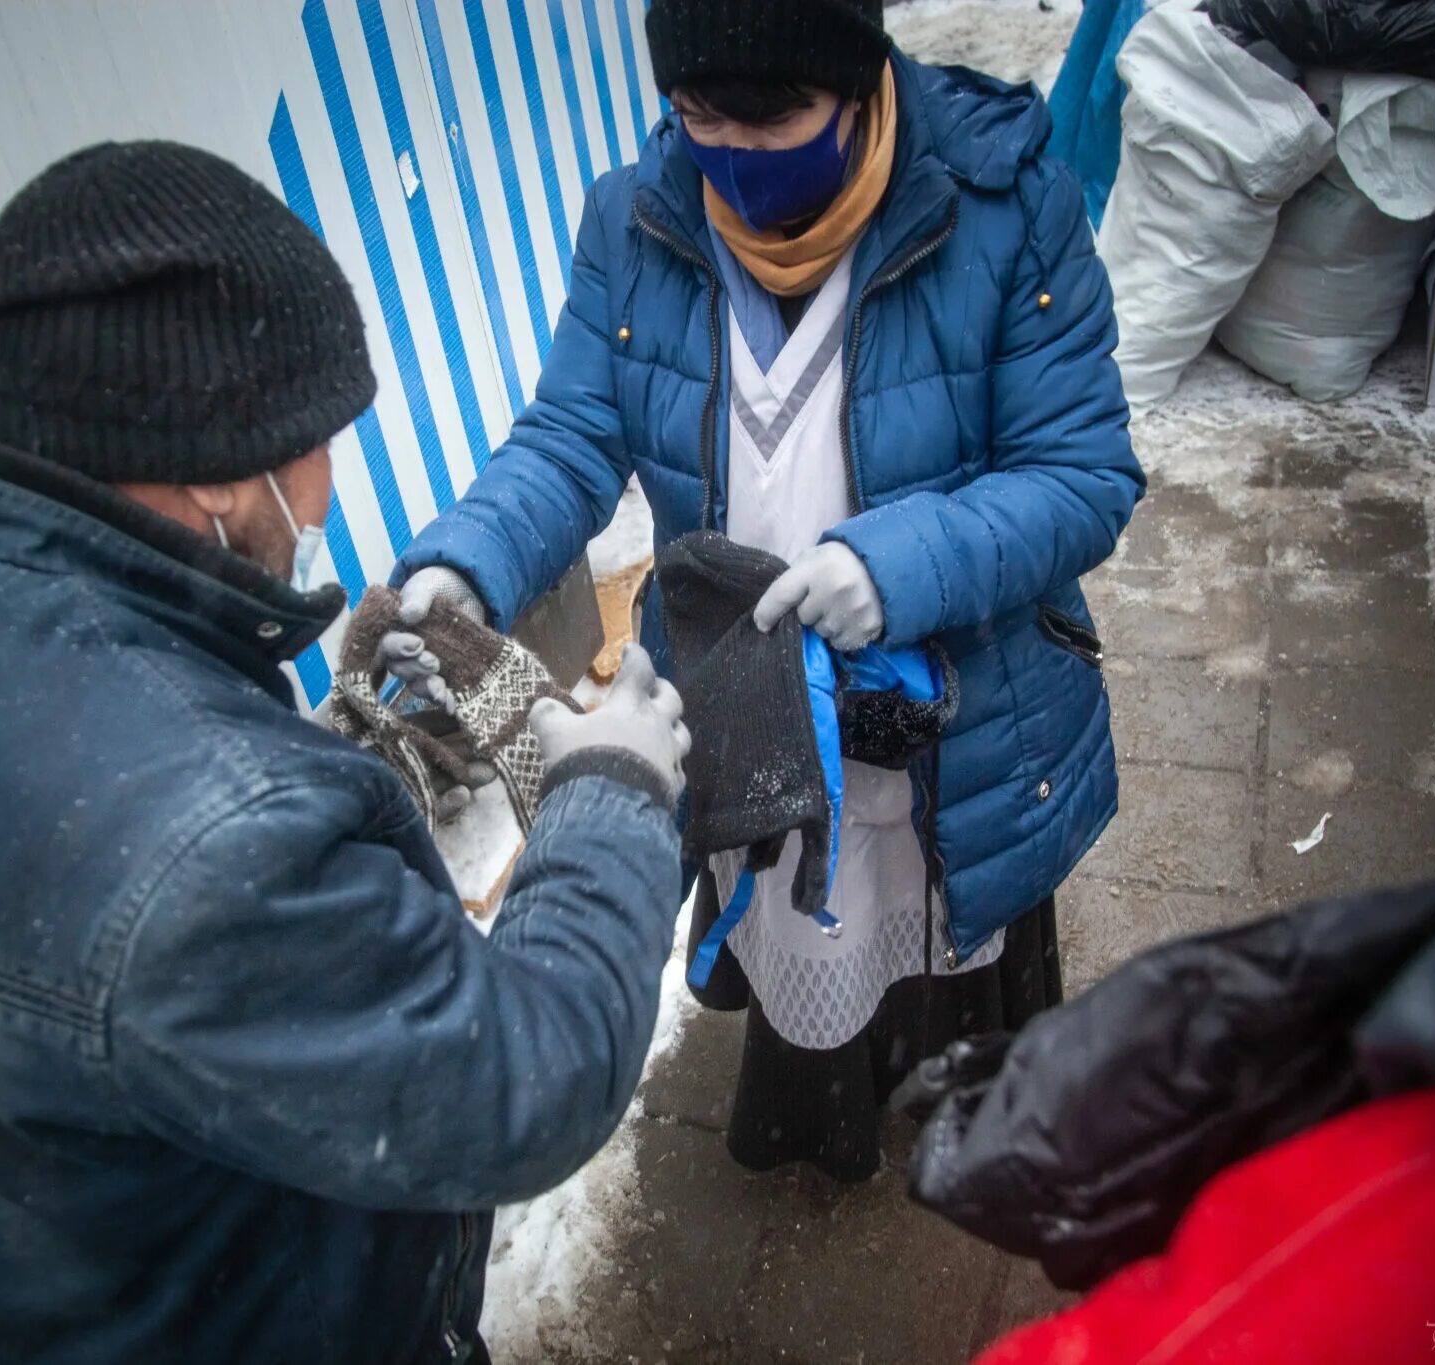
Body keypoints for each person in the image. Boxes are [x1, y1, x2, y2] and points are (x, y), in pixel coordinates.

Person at [0, 141, 691, 1364]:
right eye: (313, 439)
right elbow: (524, 1078)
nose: (322, 485)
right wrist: (610, 793)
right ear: (223, 465)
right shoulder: (211, 844)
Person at [391, 0, 1144, 1181]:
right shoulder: (634, 221)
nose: (736, 158)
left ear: (857, 86)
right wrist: (468, 560)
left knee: (945, 923)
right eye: (699, 116)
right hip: (747, 693)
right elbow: (572, 433)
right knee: (803, 911)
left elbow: (1082, 475)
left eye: (778, 117)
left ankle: (970, 1123)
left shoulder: (998, 209)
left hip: (956, 703)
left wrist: (896, 566)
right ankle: (826, 1125)